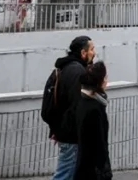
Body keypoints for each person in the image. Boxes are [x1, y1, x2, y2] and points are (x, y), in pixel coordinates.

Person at [48, 36, 96, 180]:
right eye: (92, 49)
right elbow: (76, 106)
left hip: (65, 132)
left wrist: (56, 129)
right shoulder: (78, 72)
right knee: (64, 175)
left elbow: (60, 103)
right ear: (83, 53)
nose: (94, 53)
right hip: (72, 136)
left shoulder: (64, 68)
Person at [74, 61, 112, 180]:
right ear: (100, 81)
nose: (106, 80)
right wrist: (105, 170)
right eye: (105, 77)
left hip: (83, 166)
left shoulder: (83, 102)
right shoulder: (95, 108)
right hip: (92, 170)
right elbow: (99, 143)